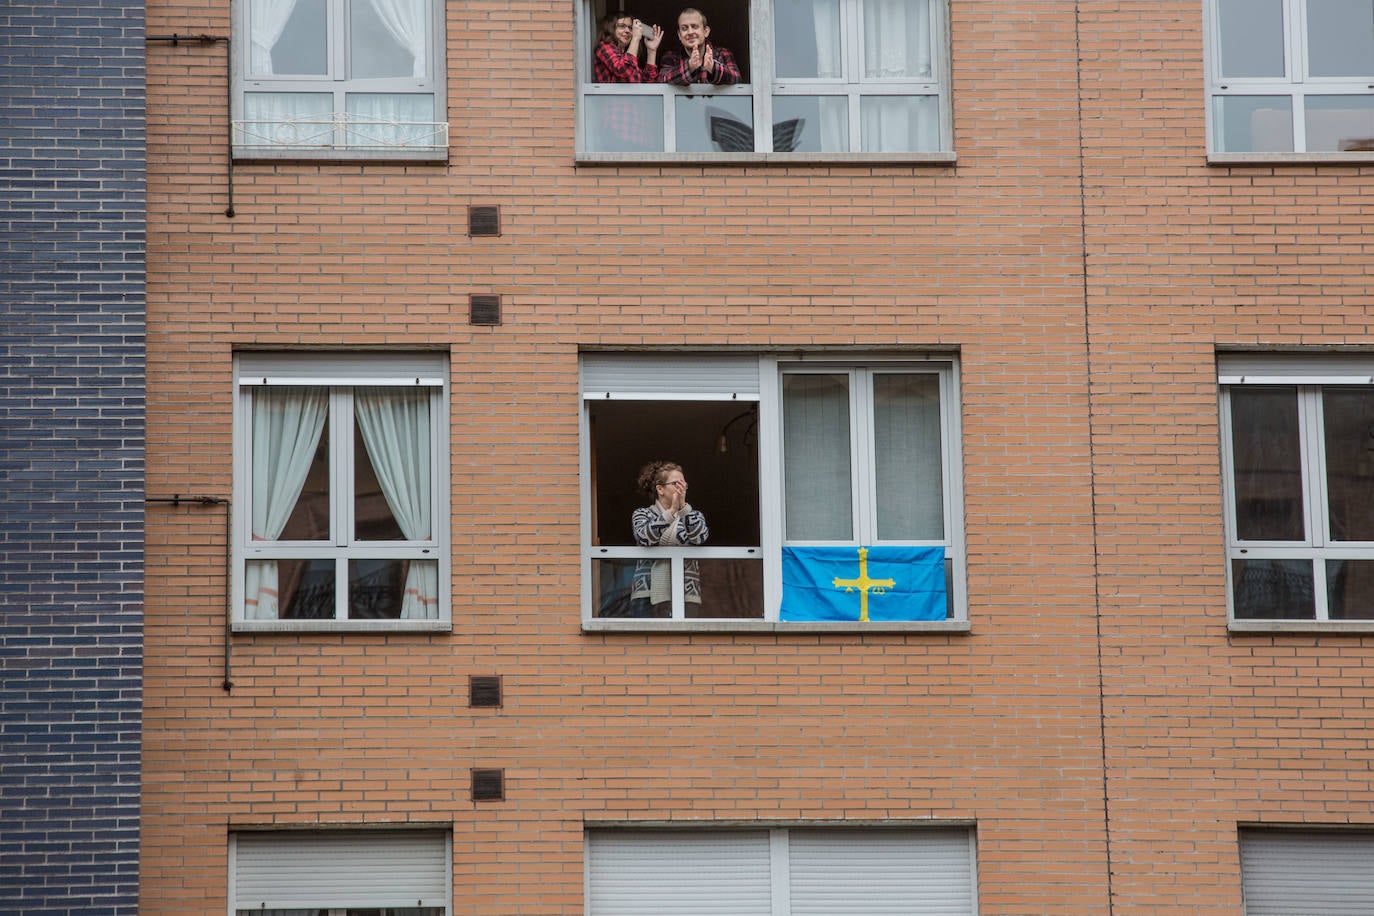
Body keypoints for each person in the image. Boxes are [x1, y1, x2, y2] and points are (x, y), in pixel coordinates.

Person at [630, 461, 709, 617]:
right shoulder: (642, 514)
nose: (681, 488)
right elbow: (644, 537)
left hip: (686, 594)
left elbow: (700, 537)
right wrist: (671, 511)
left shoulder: (693, 516)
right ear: (660, 489)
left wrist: (683, 510)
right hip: (648, 593)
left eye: (683, 483)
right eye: (676, 483)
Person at [657, 8, 740, 85]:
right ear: (679, 35)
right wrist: (689, 67)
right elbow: (661, 79)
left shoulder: (722, 54)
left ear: (706, 31)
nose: (690, 32)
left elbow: (737, 79)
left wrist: (713, 67)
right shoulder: (671, 57)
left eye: (695, 27)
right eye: (684, 28)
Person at [593, 12, 664, 82]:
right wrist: (635, 38)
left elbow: (648, 84)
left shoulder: (628, 56)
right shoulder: (604, 46)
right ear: (610, 28)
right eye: (622, 26)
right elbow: (623, 70)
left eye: (630, 28)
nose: (628, 31)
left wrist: (652, 50)